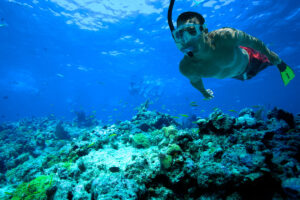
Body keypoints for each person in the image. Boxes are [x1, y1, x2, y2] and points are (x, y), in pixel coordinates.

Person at [168, 0, 295, 99]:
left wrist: (271, 55)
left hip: (252, 60)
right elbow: (195, 80)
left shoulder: (226, 36)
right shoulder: (187, 67)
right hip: (238, 76)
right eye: (180, 34)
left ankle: (281, 65)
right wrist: (204, 92)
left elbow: (253, 42)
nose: (187, 39)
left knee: (273, 60)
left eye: (191, 31)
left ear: (204, 30)